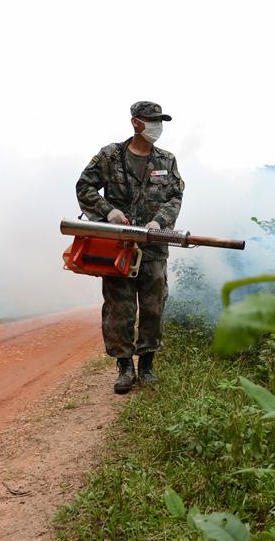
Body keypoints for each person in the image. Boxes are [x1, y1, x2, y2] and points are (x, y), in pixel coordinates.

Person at [76, 101, 184, 394]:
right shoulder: (111, 156)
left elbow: (175, 196)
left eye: (160, 121)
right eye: (152, 121)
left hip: (152, 250)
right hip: (118, 249)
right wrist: (107, 211)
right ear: (136, 123)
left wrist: (160, 222)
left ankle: (146, 366)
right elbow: (84, 186)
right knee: (119, 309)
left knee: (153, 307)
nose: (157, 127)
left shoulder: (166, 160)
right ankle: (124, 367)